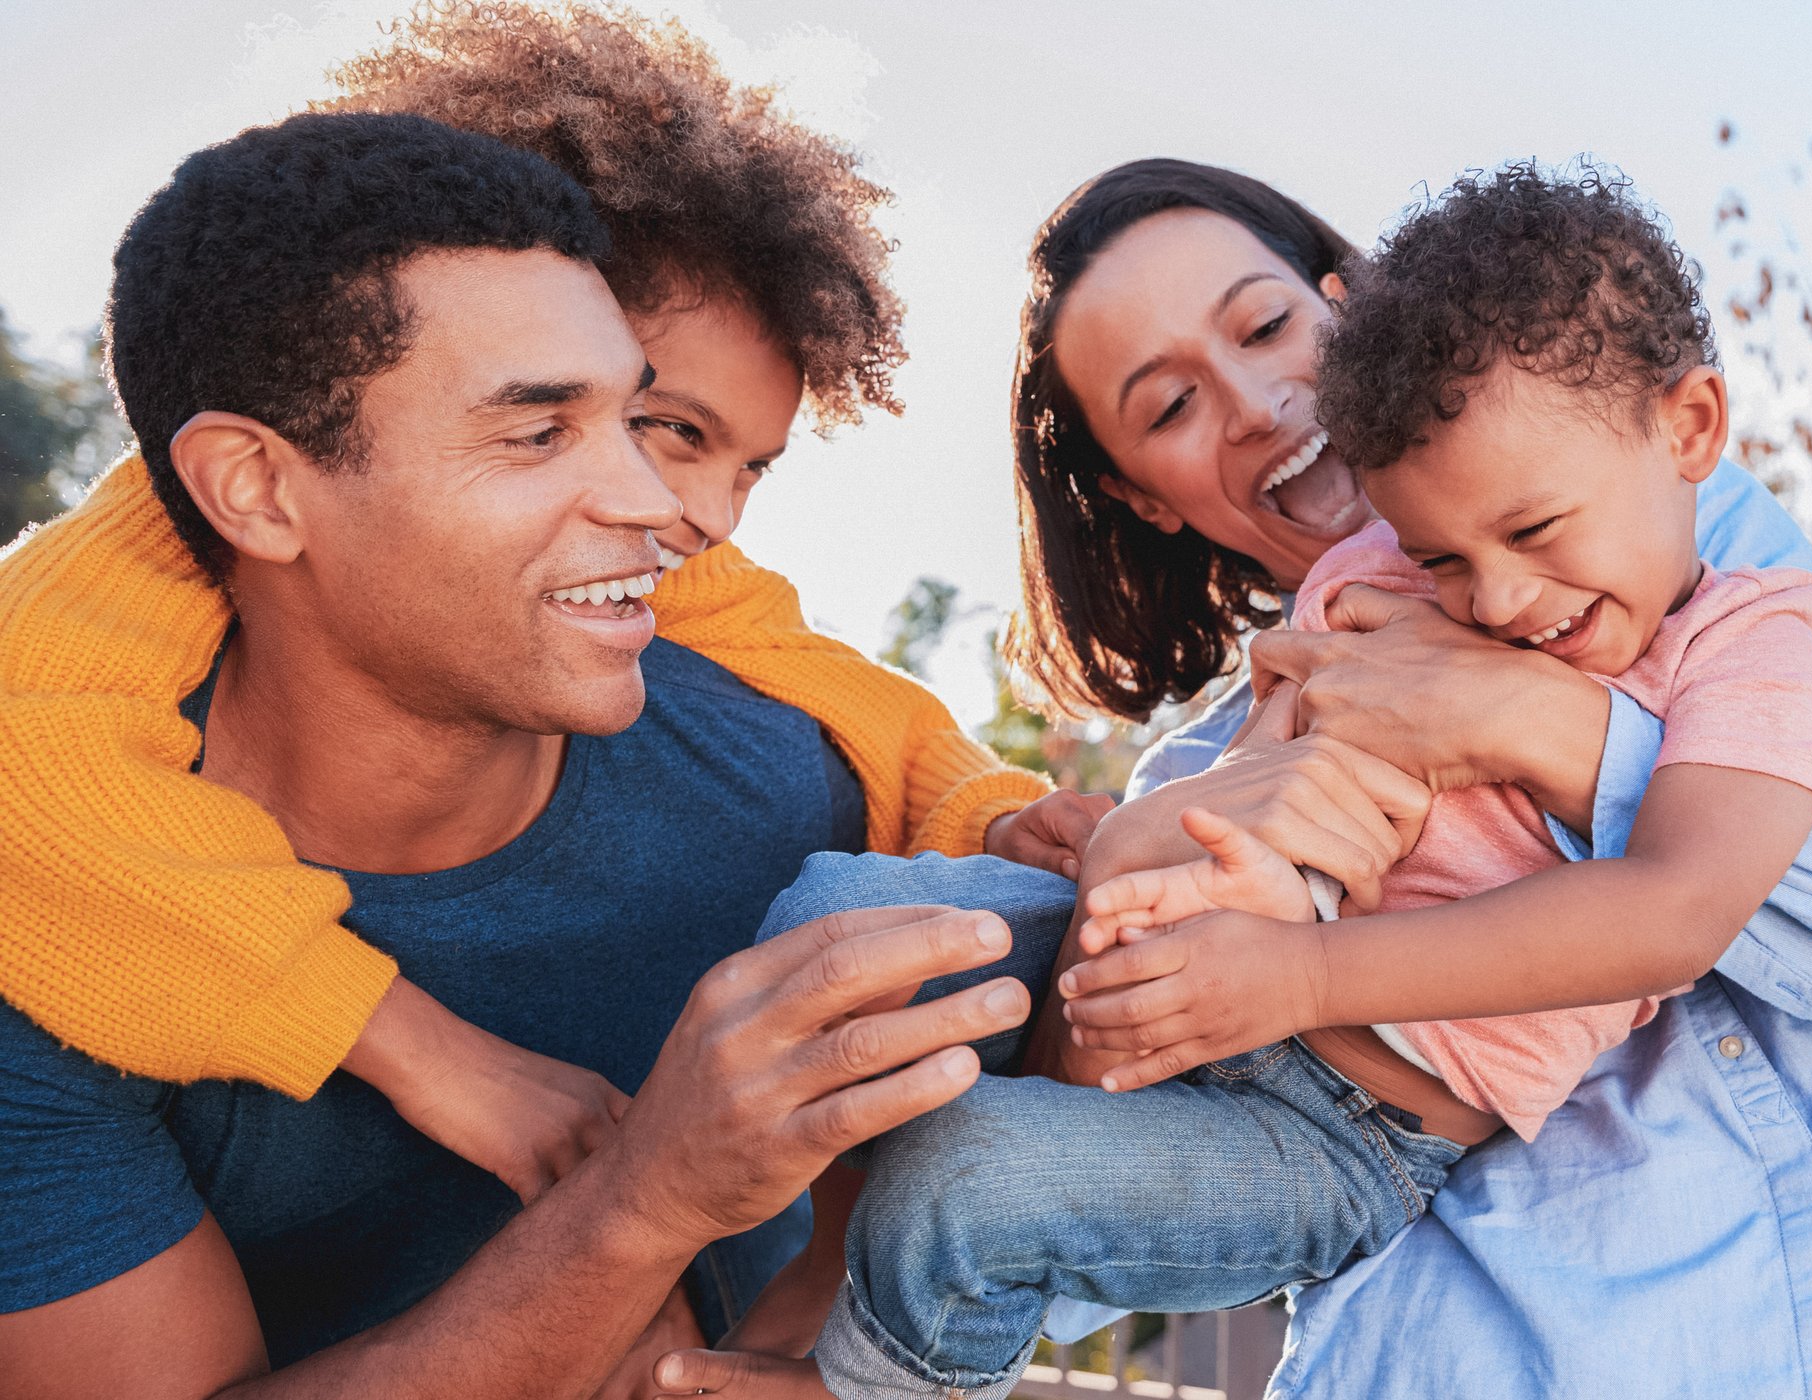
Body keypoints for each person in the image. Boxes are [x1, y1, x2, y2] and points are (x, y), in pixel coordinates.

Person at [656, 160, 1812, 1397]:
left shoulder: (1715, 567)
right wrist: (1161, 857)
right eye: (1167, 405)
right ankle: (760, 1331)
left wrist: (1537, 726)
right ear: (1149, 496)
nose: (1260, 400)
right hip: (1448, 1286)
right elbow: (1075, 1197)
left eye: (1268, 323)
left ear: (1345, 306)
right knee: (843, 918)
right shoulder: (1275, 685)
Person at [0, 1, 1103, 1253]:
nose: (691, 516)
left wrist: (986, 811)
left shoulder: (685, 622)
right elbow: (23, 787)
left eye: (750, 469)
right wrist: (425, 1051)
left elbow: (835, 685)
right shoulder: (119, 572)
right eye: (667, 428)